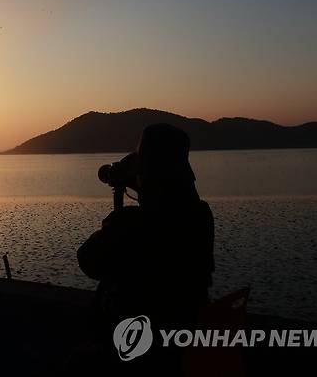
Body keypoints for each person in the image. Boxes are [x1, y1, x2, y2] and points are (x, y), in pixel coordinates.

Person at [76, 123, 214, 374]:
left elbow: (88, 261)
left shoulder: (130, 223)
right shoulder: (201, 216)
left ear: (146, 173)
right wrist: (145, 187)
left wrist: (130, 199)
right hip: (186, 339)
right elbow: (175, 209)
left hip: (139, 348)